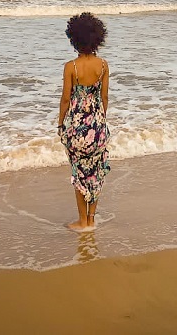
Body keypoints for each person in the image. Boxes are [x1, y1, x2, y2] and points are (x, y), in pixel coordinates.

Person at [58, 12, 110, 233]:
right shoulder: (103, 65)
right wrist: (100, 121)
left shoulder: (71, 67)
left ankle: (82, 221)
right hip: (97, 125)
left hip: (77, 128)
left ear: (74, 38)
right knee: (95, 173)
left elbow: (66, 98)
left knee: (79, 173)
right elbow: (104, 97)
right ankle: (91, 218)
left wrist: (60, 123)